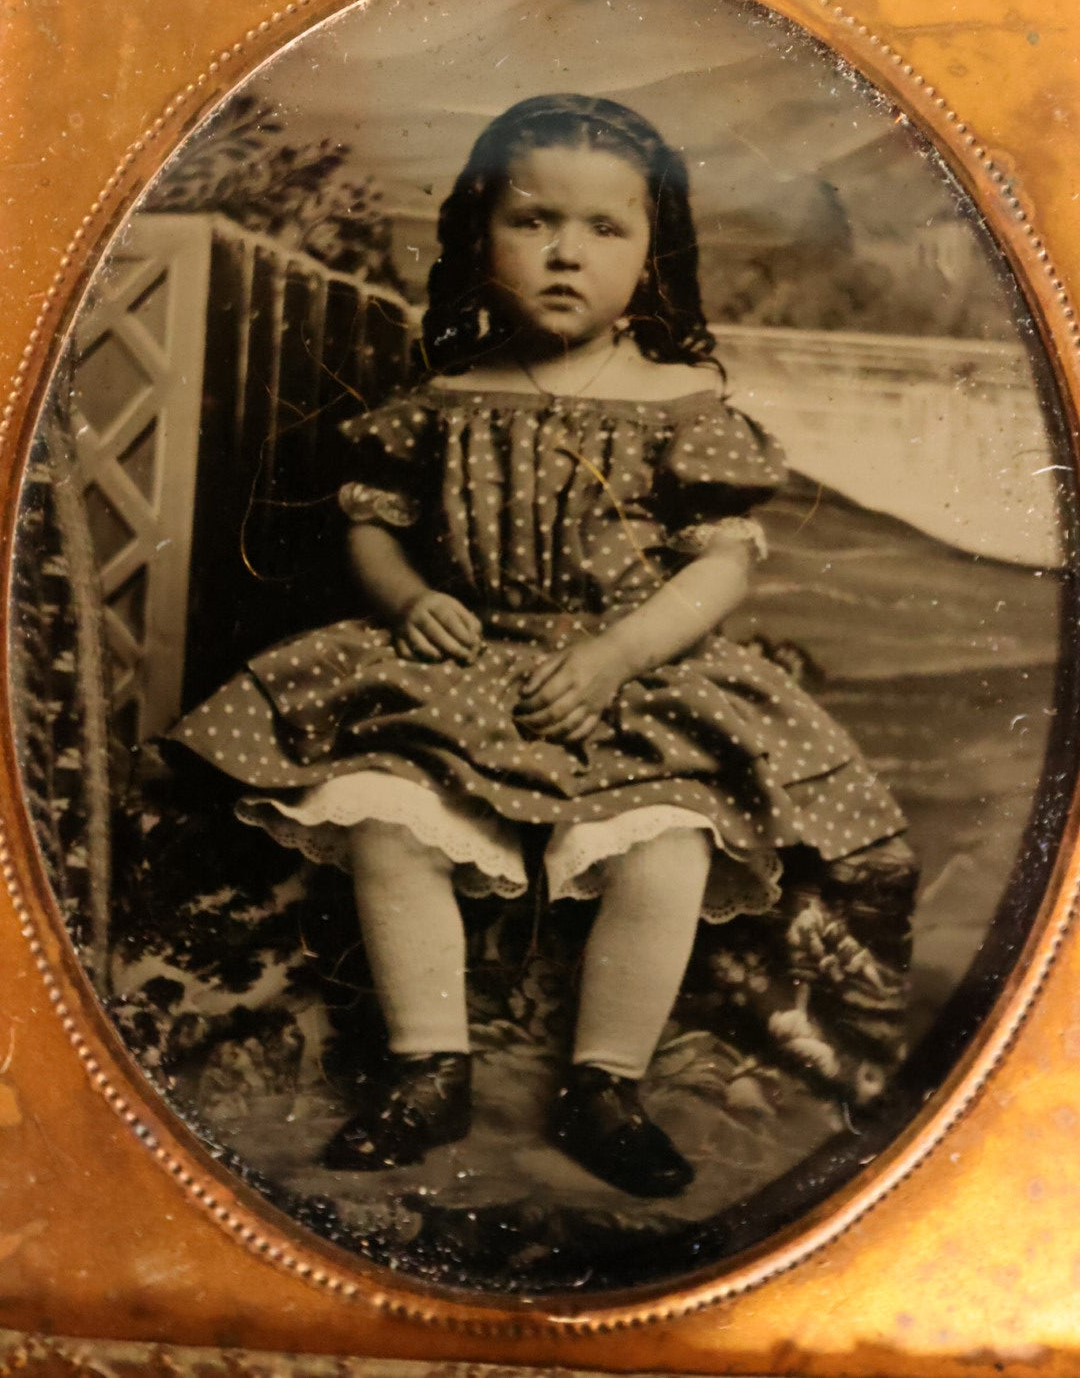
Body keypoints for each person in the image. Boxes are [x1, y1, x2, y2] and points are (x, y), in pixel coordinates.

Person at [172, 94, 908, 1199]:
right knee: (387, 815)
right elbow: (369, 521)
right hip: (467, 665)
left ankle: (605, 1082)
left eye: (605, 228)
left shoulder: (678, 400)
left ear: (655, 253)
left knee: (670, 842)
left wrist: (617, 653)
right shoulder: (447, 396)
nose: (566, 251)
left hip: (629, 673)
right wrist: (411, 596)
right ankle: (430, 1063)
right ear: (479, 236)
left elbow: (720, 561)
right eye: (533, 221)